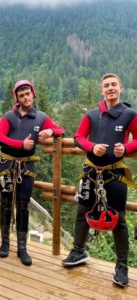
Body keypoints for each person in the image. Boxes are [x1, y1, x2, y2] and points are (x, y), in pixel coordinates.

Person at [61, 73, 137, 287]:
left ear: (121, 88)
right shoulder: (92, 115)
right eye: (106, 85)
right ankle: (78, 252)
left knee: (119, 221)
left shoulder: (129, 114)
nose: (110, 88)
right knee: (82, 213)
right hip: (90, 173)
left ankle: (121, 267)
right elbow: (78, 138)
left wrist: (127, 148)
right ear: (101, 90)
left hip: (115, 174)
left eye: (114, 85)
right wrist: (92, 147)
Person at [0, 80, 64, 266]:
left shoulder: (41, 118)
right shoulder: (9, 116)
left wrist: (50, 130)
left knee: (23, 205)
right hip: (7, 164)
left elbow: (61, 130)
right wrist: (21, 144)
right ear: (17, 98)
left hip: (26, 167)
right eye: (21, 95)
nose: (25, 97)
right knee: (6, 203)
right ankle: (4, 243)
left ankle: (22, 248)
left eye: (28, 94)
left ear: (33, 94)